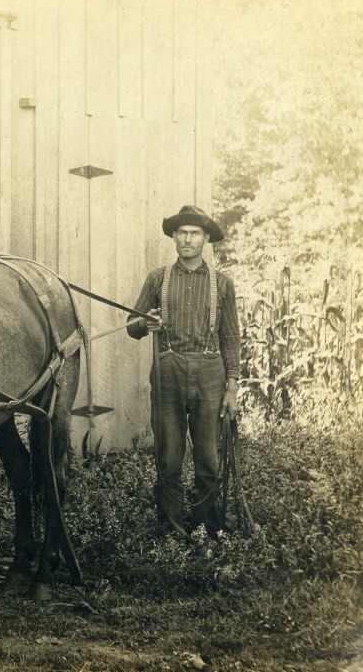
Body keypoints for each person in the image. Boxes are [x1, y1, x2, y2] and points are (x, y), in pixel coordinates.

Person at [127, 205, 240, 535]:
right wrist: (145, 323)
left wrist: (232, 388)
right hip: (168, 375)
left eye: (194, 233)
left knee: (208, 458)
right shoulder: (157, 279)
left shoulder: (222, 284)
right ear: (174, 237)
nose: (187, 239)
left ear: (206, 238)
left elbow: (231, 337)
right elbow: (131, 325)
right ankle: (171, 530)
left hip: (210, 375)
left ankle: (207, 527)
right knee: (168, 458)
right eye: (182, 233)